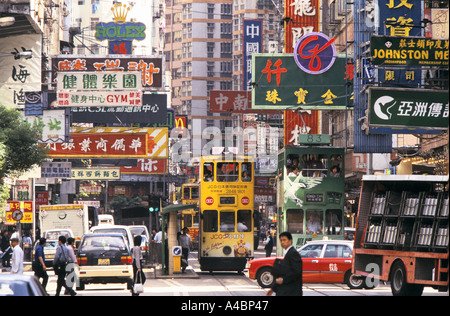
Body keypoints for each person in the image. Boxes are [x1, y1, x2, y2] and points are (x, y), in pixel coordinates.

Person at [266, 232, 302, 296]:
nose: (282, 242)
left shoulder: (293, 253)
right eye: (281, 240)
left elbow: (296, 271)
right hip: (286, 291)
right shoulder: (288, 253)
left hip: (291, 292)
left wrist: (283, 279)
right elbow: (283, 273)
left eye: (284, 240)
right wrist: (273, 289)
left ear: (290, 241)